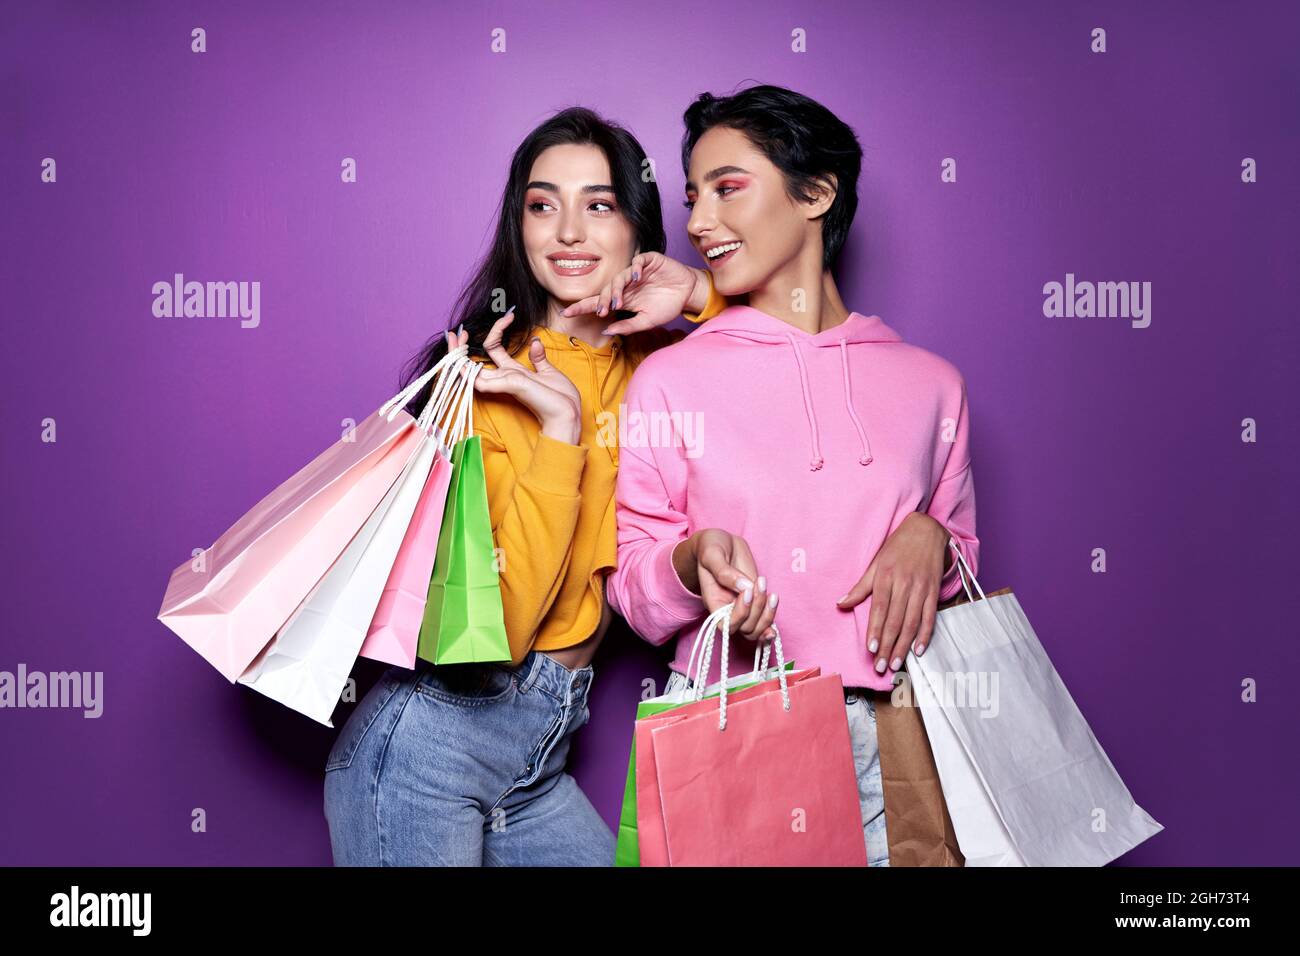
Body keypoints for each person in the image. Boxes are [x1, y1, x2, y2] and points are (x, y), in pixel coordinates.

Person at [322, 107, 725, 866]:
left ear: (637, 226)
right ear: (520, 225)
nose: (568, 231)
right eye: (543, 205)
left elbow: (793, 345)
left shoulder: (663, 369)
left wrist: (701, 295)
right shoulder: (486, 380)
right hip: (428, 752)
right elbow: (494, 635)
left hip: (540, 759)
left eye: (598, 205)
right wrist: (560, 436)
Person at [599, 84, 981, 867]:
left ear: (816, 192)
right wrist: (690, 555)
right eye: (693, 197)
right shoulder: (671, 380)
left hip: (905, 731)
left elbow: (964, 565)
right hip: (734, 725)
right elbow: (634, 589)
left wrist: (934, 539)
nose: (699, 223)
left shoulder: (933, 383)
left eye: (727, 188)